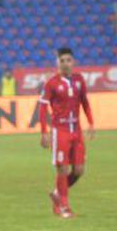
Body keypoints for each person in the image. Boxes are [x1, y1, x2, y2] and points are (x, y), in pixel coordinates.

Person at [39, 46, 94, 218]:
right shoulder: (51, 83)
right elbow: (42, 107)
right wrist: (44, 131)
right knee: (62, 169)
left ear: (73, 62)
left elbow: (85, 102)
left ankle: (57, 194)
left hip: (76, 130)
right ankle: (64, 206)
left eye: (68, 60)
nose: (65, 63)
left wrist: (91, 123)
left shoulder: (79, 80)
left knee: (78, 170)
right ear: (57, 63)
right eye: (62, 60)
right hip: (60, 131)